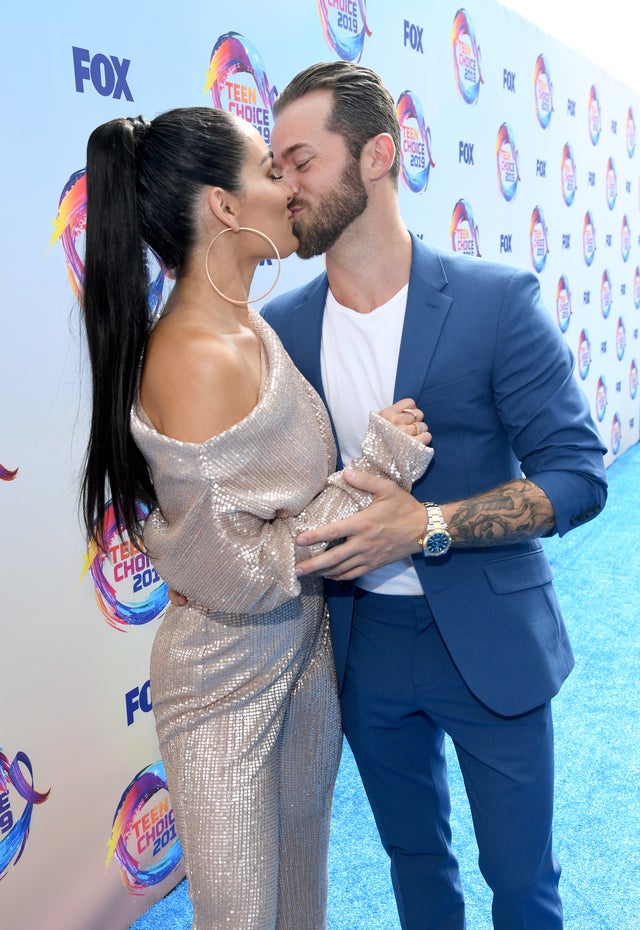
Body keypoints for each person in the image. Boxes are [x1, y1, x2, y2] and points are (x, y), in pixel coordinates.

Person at [260, 62, 609, 930]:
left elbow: (577, 474)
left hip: (490, 642)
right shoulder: (282, 334)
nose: (283, 186)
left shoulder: (495, 304)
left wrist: (429, 525)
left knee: (522, 884)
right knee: (415, 867)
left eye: (301, 161)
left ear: (377, 154)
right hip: (364, 648)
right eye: (275, 167)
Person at [79, 106, 431, 930]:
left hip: (301, 658)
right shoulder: (198, 356)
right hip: (223, 678)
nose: (291, 185)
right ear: (225, 208)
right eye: (271, 172)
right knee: (242, 916)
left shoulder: (249, 326)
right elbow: (236, 572)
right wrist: (379, 470)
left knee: (300, 898)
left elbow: (281, 515)